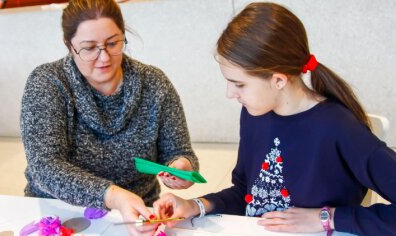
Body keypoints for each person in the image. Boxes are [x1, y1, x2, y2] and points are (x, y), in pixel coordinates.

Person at [153, 2, 396, 236]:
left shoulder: (340, 128)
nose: (230, 94)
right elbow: (246, 194)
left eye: (239, 84)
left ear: (278, 80)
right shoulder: (254, 114)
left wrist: (326, 217)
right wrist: (197, 205)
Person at [20, 0, 198, 235]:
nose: (104, 58)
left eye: (113, 43)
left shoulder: (154, 84)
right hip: (59, 211)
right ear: (69, 45)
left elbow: (179, 151)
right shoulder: (48, 83)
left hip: (138, 213)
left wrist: (181, 167)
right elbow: (45, 167)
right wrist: (113, 196)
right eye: (89, 48)